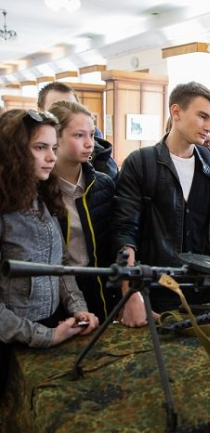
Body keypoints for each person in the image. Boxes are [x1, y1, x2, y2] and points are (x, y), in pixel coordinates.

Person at [112, 82, 210, 327]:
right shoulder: (140, 163)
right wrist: (130, 294)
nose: (209, 127)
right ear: (176, 112)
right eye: (202, 117)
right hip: (159, 292)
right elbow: (125, 232)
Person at [0, 109, 99, 392]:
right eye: (40, 148)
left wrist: (78, 309)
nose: (52, 157)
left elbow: (60, 264)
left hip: (51, 329)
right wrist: (47, 336)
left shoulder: (41, 197)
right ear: (14, 151)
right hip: (11, 346)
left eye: (53, 148)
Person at [48, 101, 117, 323]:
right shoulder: (38, 190)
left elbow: (113, 243)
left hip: (100, 286)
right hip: (56, 293)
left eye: (91, 135)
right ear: (55, 138)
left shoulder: (103, 184)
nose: (89, 143)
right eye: (79, 135)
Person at [37, 82, 119, 183]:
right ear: (40, 112)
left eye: (71, 105)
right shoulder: (28, 164)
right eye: (56, 108)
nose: (67, 111)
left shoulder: (102, 159)